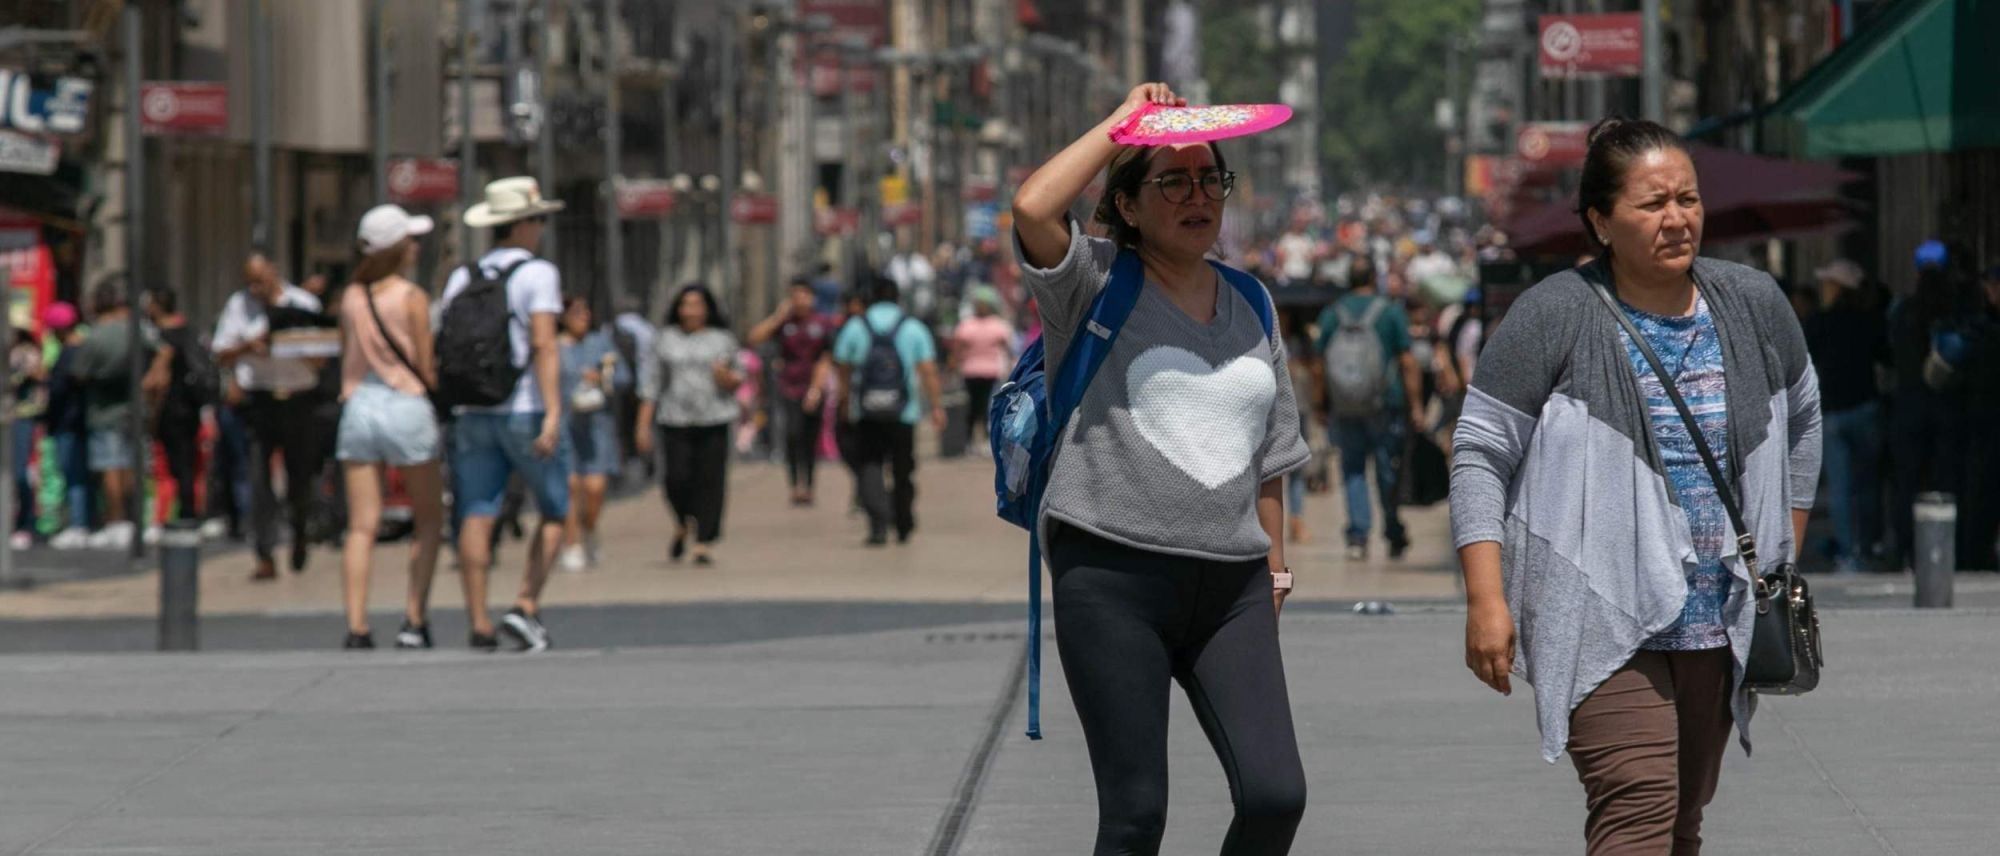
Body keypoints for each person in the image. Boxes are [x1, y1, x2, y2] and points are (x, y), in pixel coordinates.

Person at [1452, 117, 1822, 855]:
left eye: (1688, 199)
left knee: (1683, 818)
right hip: (1600, 610)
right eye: (1653, 204)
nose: (1677, 219)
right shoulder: (1553, 313)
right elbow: (1480, 452)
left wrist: (1778, 556)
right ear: (1600, 221)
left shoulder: (1752, 303)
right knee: (1639, 807)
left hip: (1719, 618)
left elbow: (1804, 420)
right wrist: (1486, 599)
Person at [1011, 81, 1310, 855]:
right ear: (1129, 205)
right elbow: (1034, 208)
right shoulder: (1092, 283)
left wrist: (1276, 573)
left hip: (1233, 588)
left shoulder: (1252, 300)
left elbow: (1273, 451)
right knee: (1136, 816)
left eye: (1211, 179)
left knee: (1275, 795)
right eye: (1172, 181)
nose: (1197, 195)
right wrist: (1123, 123)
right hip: (1112, 578)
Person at [440, 176, 570, 652]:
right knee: (555, 509)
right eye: (537, 220)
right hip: (524, 407)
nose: (540, 230)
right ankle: (525, 605)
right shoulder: (538, 274)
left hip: (472, 409)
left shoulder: (462, 276)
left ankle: (478, 621)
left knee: (476, 512)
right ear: (521, 225)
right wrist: (553, 412)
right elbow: (544, 344)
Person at [333, 204, 445, 650]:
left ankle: (357, 625)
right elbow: (424, 363)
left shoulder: (351, 296)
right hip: (405, 404)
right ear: (397, 248)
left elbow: (347, 353)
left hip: (359, 406)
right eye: (410, 240)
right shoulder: (411, 296)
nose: (416, 247)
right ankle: (414, 619)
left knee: (362, 525)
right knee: (428, 518)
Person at [213, 252, 326, 579]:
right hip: (260, 400)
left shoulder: (303, 304)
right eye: (250, 282)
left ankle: (300, 532)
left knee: (299, 477)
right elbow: (222, 352)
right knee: (258, 477)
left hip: (299, 398)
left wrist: (289, 344)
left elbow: (321, 358)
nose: (256, 288)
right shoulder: (239, 306)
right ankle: (264, 552)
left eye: (260, 281)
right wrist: (250, 346)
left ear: (274, 273)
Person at [1312, 254, 1422, 561]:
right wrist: (1416, 405)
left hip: (1345, 406)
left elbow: (1319, 363)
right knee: (1388, 470)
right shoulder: (1390, 312)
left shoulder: (1333, 313)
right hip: (1385, 404)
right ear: (1374, 278)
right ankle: (1393, 530)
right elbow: (1408, 361)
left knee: (1353, 469)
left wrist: (1320, 403)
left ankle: (1358, 537)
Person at [635, 284, 743, 566]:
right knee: (676, 477)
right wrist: (642, 424)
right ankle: (683, 520)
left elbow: (739, 378)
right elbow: (652, 383)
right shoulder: (665, 339)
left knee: (711, 479)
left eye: (697, 305)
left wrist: (725, 377)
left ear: (707, 309)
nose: (691, 311)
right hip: (675, 418)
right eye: (686, 305)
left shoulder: (722, 340)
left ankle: (704, 540)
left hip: (714, 417)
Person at [833, 274, 943, 547]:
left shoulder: (855, 326)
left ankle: (878, 524)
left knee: (870, 465)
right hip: (904, 413)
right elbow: (928, 371)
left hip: (866, 412)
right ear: (897, 298)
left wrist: (844, 402)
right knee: (903, 468)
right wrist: (937, 406)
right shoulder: (913, 327)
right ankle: (903, 521)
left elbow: (843, 367)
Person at [1887, 240, 1977, 571]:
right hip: (1948, 407)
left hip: (1909, 406)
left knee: (1907, 483)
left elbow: (1891, 352)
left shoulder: (1903, 310)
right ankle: (1951, 551)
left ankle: (1905, 552)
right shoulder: (1959, 309)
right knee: (1949, 482)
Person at [1801, 258, 1888, 573]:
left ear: (1837, 288)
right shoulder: (1870, 321)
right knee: (1868, 485)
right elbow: (1886, 357)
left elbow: (1803, 360)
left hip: (1834, 411)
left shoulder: (1819, 322)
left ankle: (1848, 553)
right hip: (1865, 407)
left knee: (1841, 487)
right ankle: (1869, 546)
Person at [71, 277, 166, 550]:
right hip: (135, 408)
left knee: (110, 466)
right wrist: (152, 376)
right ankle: (135, 518)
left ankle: (116, 520)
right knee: (132, 464)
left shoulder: (95, 335)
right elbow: (162, 350)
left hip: (103, 409)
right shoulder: (136, 329)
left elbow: (78, 373)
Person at [747, 278, 836, 507]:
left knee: (810, 438)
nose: (800, 301)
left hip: (814, 387)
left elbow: (825, 359)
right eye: (795, 296)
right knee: (793, 435)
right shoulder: (785, 324)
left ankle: (809, 486)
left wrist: (816, 389)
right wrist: (777, 317)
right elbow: (754, 338)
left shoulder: (822, 323)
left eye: (804, 295)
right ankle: (795, 485)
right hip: (789, 388)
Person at [556, 296, 628, 571]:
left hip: (597, 424)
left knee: (594, 488)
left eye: (586, 310)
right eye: (576, 311)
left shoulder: (600, 343)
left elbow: (624, 377)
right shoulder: (553, 346)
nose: (583, 316)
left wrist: (602, 378)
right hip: (564, 423)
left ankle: (589, 528)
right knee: (570, 485)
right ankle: (571, 542)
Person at [146, 288, 211, 526]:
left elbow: (158, 380)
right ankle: (189, 511)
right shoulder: (190, 332)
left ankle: (178, 514)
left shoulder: (160, 338)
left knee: (170, 465)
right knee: (189, 462)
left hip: (170, 407)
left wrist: (151, 409)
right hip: (191, 406)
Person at [40, 303, 92, 549]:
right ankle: (81, 522)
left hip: (67, 423)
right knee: (77, 475)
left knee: (73, 475)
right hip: (76, 422)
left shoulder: (69, 353)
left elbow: (59, 391)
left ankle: (78, 524)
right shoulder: (83, 349)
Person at [950, 287, 1015, 451]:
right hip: (974, 372)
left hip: (987, 372)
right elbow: (957, 350)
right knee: (977, 407)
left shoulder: (971, 325)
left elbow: (1007, 349)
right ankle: (974, 440)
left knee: (983, 407)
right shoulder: (994, 325)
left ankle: (982, 439)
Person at [8, 324, 45, 549]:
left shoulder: (28, 352)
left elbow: (38, 375)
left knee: (20, 472)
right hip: (9, 418)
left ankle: (27, 523)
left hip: (22, 418)